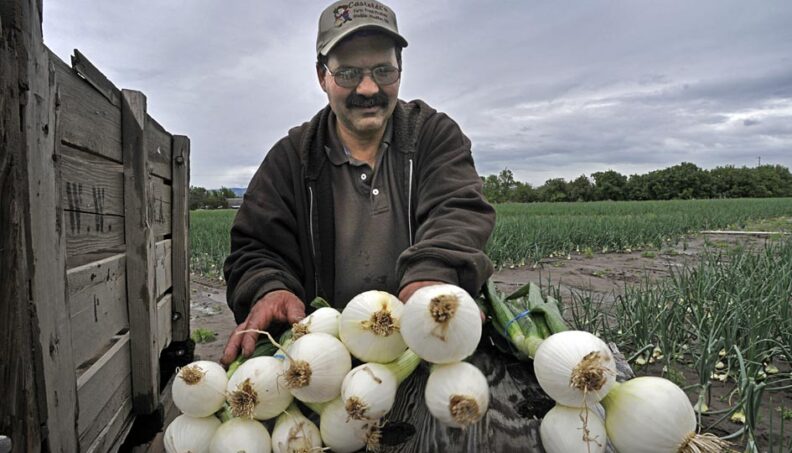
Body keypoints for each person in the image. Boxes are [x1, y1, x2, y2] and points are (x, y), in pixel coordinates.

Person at [221, 0, 495, 366]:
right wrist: (270, 288)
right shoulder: (290, 158)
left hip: (426, 343)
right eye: (348, 73)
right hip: (326, 359)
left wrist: (431, 275)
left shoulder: (433, 135)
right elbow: (255, 247)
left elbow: (457, 210)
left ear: (401, 70)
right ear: (322, 76)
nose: (368, 89)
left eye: (383, 70)